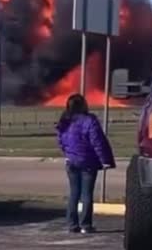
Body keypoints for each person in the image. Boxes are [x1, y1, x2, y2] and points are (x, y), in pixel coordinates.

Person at [56, 93, 116, 234]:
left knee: (74, 194)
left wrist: (67, 154)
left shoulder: (65, 121)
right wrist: (105, 160)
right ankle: (86, 225)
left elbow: (61, 140)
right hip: (88, 162)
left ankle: (72, 224)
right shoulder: (90, 121)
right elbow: (98, 142)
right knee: (86, 194)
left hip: (71, 162)